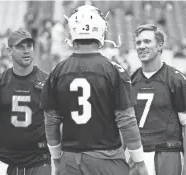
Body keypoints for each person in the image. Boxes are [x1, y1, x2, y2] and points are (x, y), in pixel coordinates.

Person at [40, 5, 148, 175]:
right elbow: (127, 121)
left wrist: (57, 159)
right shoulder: (114, 70)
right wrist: (139, 162)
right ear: (101, 30)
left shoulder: (57, 72)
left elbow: (51, 122)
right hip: (106, 158)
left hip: (70, 160)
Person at [0, 29, 52, 175]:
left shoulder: (48, 82)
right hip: (6, 161)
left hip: (39, 160)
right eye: (20, 47)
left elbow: (58, 120)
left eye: (29, 46)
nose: (26, 51)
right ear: (9, 51)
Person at [130, 24, 186, 175]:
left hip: (167, 152)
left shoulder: (177, 80)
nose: (142, 46)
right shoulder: (130, 81)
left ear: (160, 45)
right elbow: (125, 122)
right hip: (138, 154)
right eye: (138, 42)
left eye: (147, 41)